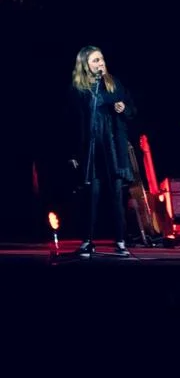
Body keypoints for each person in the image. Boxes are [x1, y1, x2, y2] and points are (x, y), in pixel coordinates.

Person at [68, 45, 137, 257]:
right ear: (85, 65)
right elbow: (73, 122)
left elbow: (132, 110)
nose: (101, 63)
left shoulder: (114, 83)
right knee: (91, 195)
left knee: (116, 194)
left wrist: (124, 108)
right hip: (92, 149)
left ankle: (120, 241)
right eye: (95, 60)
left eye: (102, 59)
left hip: (113, 147)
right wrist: (74, 152)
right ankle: (87, 240)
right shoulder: (79, 90)